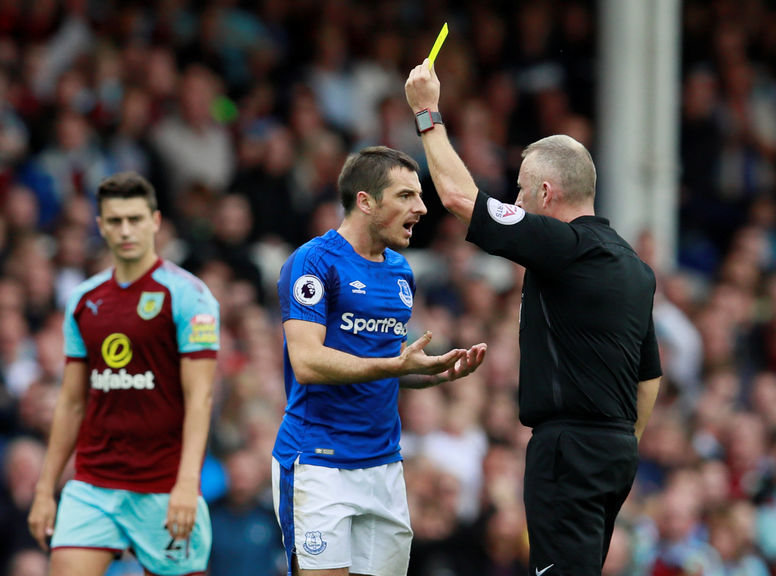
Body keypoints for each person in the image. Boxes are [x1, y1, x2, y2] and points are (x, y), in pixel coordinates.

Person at [405, 61, 662, 576]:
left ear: (547, 194)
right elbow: (648, 379)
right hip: (613, 450)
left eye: (522, 190)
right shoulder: (634, 268)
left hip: (569, 449)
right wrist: (618, 443)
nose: (516, 201)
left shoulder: (564, 245)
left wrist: (427, 113)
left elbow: (459, 198)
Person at [271, 145, 487, 576]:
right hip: (318, 460)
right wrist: (395, 367)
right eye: (406, 195)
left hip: (384, 465)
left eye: (420, 196)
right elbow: (308, 363)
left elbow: (388, 367)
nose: (422, 208)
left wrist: (435, 373)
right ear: (365, 201)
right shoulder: (312, 261)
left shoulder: (401, 272)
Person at [27, 172, 220, 576]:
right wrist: (46, 489)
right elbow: (71, 401)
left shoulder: (189, 295)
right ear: (100, 226)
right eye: (115, 221)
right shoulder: (83, 301)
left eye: (135, 219)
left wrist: (186, 484)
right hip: (93, 485)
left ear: (156, 221)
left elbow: (200, 398)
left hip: (164, 486)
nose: (125, 230)